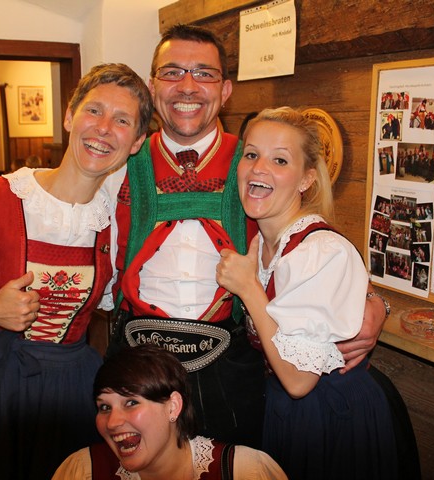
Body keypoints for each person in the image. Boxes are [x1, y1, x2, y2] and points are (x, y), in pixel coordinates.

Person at [102, 24, 390, 449]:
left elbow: (315, 248)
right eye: (172, 72)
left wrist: (377, 303)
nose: (187, 86)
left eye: (204, 74)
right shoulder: (115, 159)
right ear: (152, 86)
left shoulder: (258, 163)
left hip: (231, 366)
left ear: (225, 90)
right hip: (135, 360)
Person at [0, 63, 153, 480]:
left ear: (137, 141)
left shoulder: (114, 223)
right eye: (94, 110)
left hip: (67, 389)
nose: (104, 128)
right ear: (70, 116)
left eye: (122, 120)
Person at [216, 107, 410, 479]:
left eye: (280, 160)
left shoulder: (319, 251)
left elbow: (299, 381)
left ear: (306, 179)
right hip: (283, 410)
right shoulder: (257, 238)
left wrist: (248, 288)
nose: (259, 168)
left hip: (332, 416)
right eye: (252, 154)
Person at [53, 344, 288, 479]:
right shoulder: (83, 470)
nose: (112, 422)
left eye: (131, 403)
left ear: (173, 406)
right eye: (104, 407)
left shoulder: (244, 471)